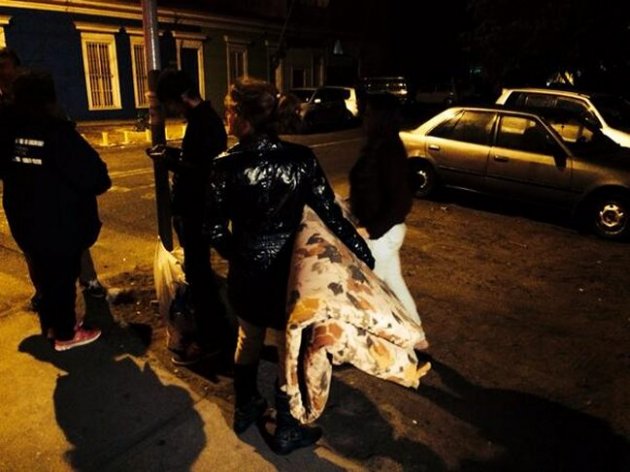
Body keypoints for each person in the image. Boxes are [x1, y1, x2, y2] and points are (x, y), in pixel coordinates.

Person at [203, 77, 375, 455]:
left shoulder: (225, 166)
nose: (226, 117)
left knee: (248, 337)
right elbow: (330, 213)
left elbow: (212, 228)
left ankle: (245, 406)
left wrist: (239, 253)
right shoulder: (300, 159)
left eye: (229, 110)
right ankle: (286, 424)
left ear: (244, 116)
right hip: (291, 274)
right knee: (288, 347)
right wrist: (361, 251)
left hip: (247, 272)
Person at [0, 69, 111, 351]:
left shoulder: (8, 132)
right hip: (59, 222)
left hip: (24, 220)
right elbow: (97, 177)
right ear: (49, 99)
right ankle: (65, 333)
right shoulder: (57, 133)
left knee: (45, 275)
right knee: (62, 277)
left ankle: (52, 325)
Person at [147, 68, 230, 366]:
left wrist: (168, 161)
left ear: (180, 98)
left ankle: (211, 340)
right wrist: (170, 154)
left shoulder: (204, 123)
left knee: (199, 275)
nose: (169, 110)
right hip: (196, 210)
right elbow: (195, 160)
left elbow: (203, 171)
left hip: (197, 212)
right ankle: (213, 332)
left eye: (169, 103)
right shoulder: (202, 120)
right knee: (199, 274)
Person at [348, 92, 429, 349]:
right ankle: (417, 337)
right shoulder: (380, 146)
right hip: (384, 233)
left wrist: (370, 229)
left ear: (381, 118)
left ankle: (368, 345)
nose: (365, 118)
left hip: (382, 235)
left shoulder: (388, 150)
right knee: (393, 283)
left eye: (369, 113)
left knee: (369, 290)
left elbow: (400, 201)